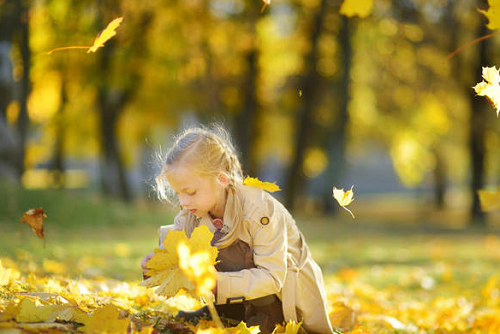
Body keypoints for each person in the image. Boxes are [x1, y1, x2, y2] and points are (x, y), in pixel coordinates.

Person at [142, 125, 333, 334]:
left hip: (282, 295)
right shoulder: (193, 212)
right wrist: (158, 267)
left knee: (240, 249)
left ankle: (265, 317)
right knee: (210, 244)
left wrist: (217, 284)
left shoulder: (260, 211)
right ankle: (229, 311)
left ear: (221, 179)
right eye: (178, 193)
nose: (183, 202)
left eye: (191, 192)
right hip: (237, 291)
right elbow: (177, 248)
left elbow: (272, 277)